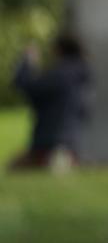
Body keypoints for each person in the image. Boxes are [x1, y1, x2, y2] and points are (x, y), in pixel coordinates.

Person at [8, 32, 90, 171]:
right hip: (71, 143)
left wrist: (27, 61)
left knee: (14, 167)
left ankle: (57, 161)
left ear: (58, 50)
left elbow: (25, 85)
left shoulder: (60, 75)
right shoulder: (81, 76)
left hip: (49, 143)